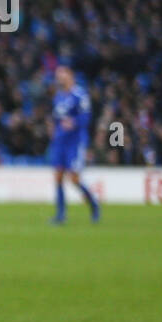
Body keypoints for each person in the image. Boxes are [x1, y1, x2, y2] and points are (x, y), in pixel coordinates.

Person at [49, 64, 100, 224]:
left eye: (62, 73)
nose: (59, 77)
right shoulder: (58, 96)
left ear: (70, 75)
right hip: (60, 142)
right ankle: (61, 214)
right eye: (57, 74)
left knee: (74, 179)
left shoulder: (79, 95)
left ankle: (94, 205)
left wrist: (74, 122)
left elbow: (87, 118)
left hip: (75, 142)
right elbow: (57, 119)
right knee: (58, 176)